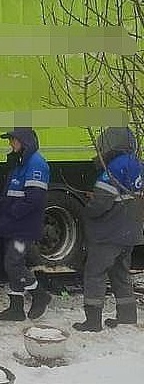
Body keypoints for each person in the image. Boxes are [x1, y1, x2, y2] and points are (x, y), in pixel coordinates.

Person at [72, 126, 144, 332]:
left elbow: (100, 205)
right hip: (130, 232)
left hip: (109, 233)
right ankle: (127, 317)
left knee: (95, 274)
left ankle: (93, 321)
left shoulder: (113, 168)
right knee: (121, 273)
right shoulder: (138, 164)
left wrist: (89, 208)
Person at [0, 127, 52, 321]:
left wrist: (11, 213)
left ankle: (39, 295)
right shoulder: (22, 163)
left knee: (13, 263)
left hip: (23, 228)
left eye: (13, 140)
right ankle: (16, 308)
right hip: (16, 225)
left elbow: (34, 199)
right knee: (13, 263)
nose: (10, 144)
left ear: (23, 142)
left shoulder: (36, 164)